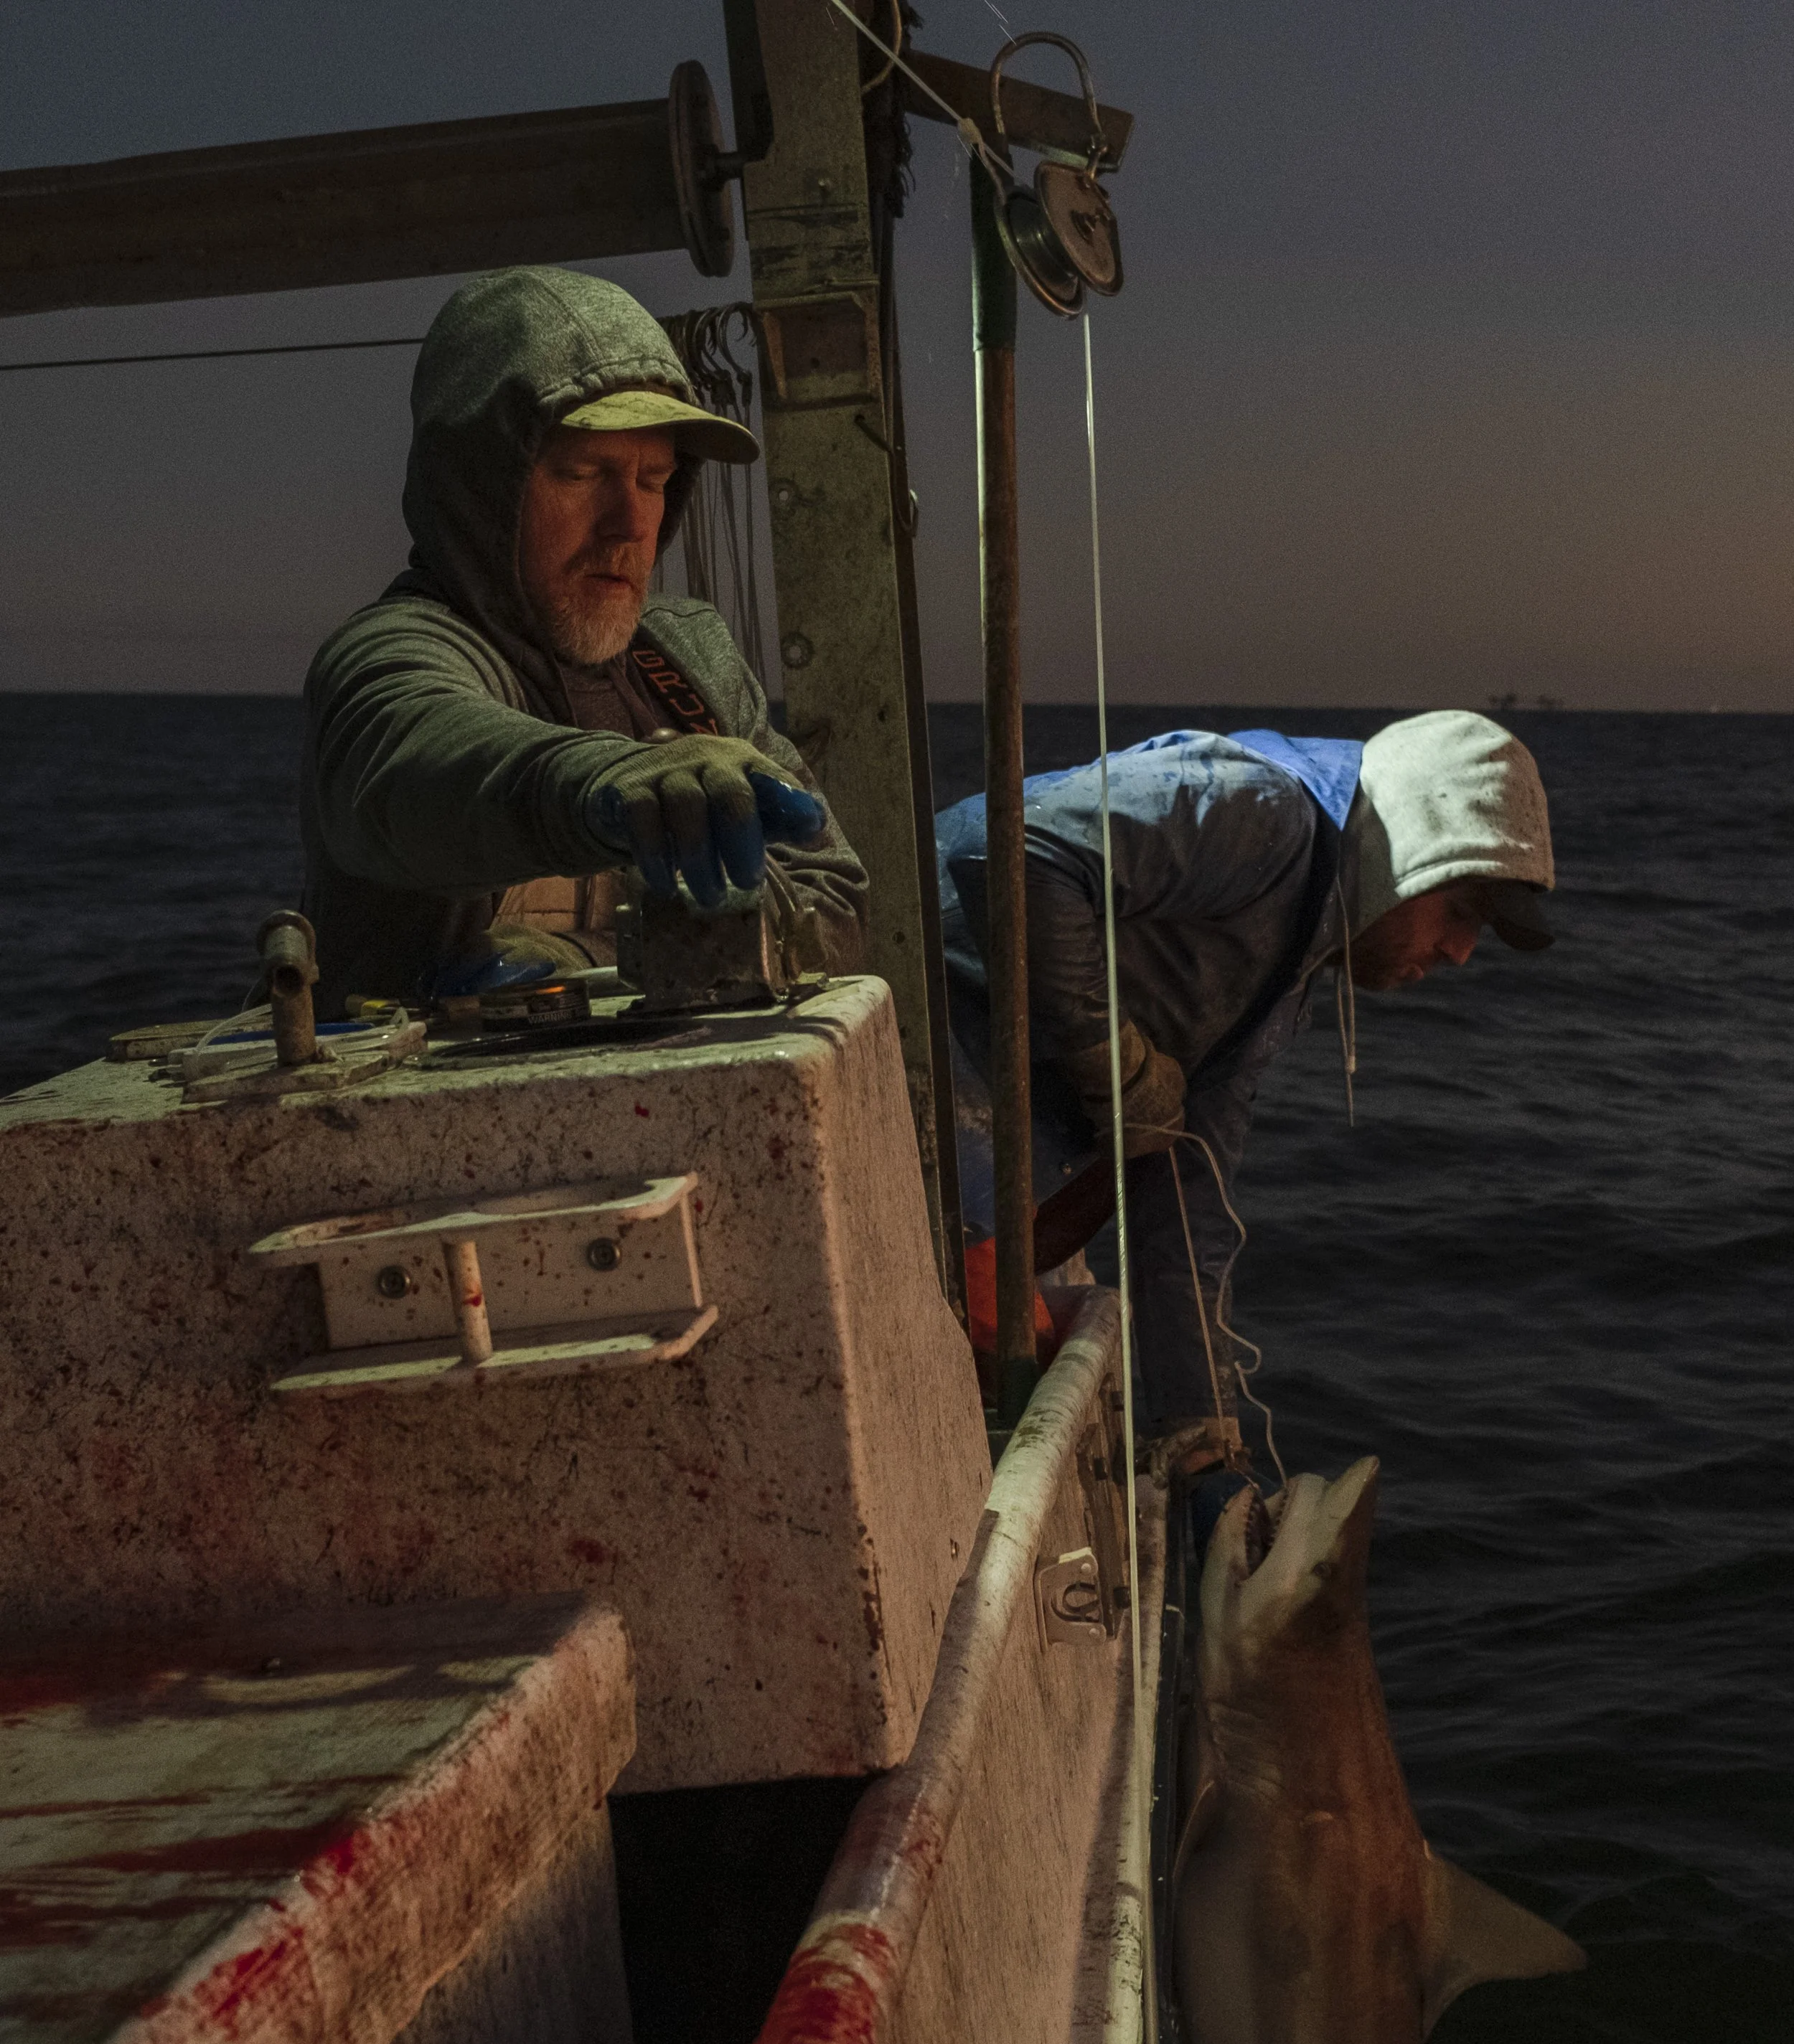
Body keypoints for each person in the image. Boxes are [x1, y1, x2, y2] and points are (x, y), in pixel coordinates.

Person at [936, 712, 1556, 1472]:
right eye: (1459, 910)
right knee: (992, 1389)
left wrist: (1201, 1429)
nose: (1460, 952)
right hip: (913, 1053)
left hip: (979, 1159)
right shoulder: (1261, 813)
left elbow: (1187, 1204)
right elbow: (1008, 849)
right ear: (1401, 852)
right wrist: (1115, 1062)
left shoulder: (1286, 964)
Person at [300, 265, 867, 1014]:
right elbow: (412, 765)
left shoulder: (687, 656)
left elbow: (835, 904)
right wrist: (608, 790)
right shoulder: (395, 656)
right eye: (583, 473)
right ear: (479, 485)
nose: (629, 524)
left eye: (653, 479)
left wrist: (590, 955)